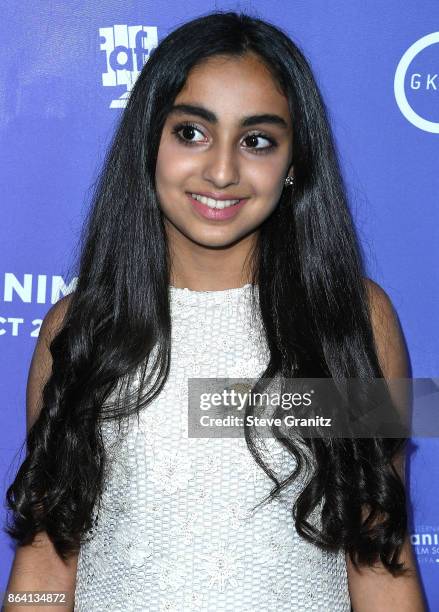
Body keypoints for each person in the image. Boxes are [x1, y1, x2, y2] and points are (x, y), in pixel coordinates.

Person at [3, 10, 426, 612]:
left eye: (257, 140)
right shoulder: (78, 328)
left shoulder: (352, 319)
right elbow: (46, 557)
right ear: (149, 140)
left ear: (294, 163)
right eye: (192, 132)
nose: (222, 171)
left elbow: (380, 561)